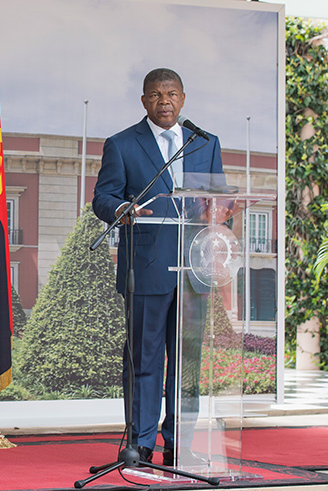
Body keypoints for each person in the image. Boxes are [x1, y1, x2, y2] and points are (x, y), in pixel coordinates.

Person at [92, 68, 223, 466]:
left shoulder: (205, 143)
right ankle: (141, 442)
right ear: (144, 101)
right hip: (146, 267)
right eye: (155, 94)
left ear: (183, 98)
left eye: (171, 94)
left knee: (186, 364)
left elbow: (218, 199)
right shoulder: (122, 144)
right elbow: (104, 197)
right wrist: (120, 209)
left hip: (193, 270)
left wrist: (223, 213)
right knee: (144, 359)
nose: (164, 101)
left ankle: (179, 441)